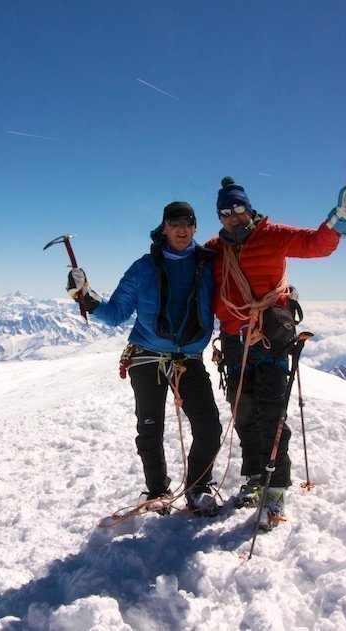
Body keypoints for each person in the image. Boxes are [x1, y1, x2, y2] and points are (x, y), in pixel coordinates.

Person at [205, 176, 346, 529]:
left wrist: (340, 216)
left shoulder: (272, 236)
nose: (233, 216)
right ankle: (256, 477)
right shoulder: (214, 249)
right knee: (242, 411)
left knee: (272, 414)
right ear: (219, 216)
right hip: (233, 341)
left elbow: (315, 245)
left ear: (248, 208)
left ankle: (276, 488)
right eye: (225, 212)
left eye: (238, 209)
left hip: (271, 338)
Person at [66, 201, 223, 516]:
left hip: (188, 357)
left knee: (209, 427)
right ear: (163, 228)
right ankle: (157, 492)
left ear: (195, 228)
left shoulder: (210, 265)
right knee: (150, 427)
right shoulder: (143, 267)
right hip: (147, 355)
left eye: (188, 223)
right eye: (174, 222)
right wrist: (85, 296)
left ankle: (197, 488)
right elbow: (117, 313)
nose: (181, 229)